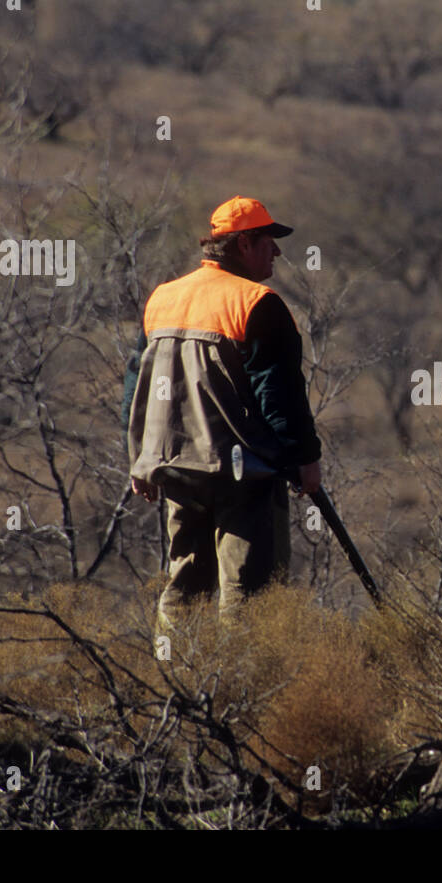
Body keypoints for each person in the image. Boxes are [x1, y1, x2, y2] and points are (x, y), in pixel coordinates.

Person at [122, 196, 322, 634]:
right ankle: (245, 691)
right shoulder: (257, 303)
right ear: (245, 244)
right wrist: (304, 459)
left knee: (184, 587)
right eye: (270, 241)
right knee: (250, 596)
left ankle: (176, 687)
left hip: (176, 468)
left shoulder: (164, 298)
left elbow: (135, 387)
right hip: (242, 473)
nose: (277, 252)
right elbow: (280, 395)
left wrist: (139, 458)